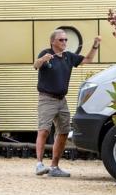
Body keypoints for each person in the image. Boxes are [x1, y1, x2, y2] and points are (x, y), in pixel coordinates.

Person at [33, 29, 100, 177]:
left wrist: (95, 46)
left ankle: (54, 167)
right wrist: (43, 59)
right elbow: (35, 65)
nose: (64, 42)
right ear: (53, 42)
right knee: (44, 130)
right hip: (46, 99)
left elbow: (88, 60)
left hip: (62, 100)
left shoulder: (69, 57)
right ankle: (39, 164)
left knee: (63, 132)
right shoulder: (46, 53)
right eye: (61, 40)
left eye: (66, 40)